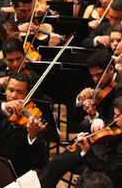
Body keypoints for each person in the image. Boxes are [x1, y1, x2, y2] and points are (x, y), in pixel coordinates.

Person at [40, 51, 122, 188]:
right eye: (92, 75)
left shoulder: (120, 89)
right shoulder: (102, 84)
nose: (95, 79)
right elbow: (77, 118)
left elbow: (114, 124)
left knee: (87, 181)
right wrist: (80, 100)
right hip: (93, 140)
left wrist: (95, 117)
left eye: (99, 74)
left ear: (111, 69)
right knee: (56, 162)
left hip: (107, 147)